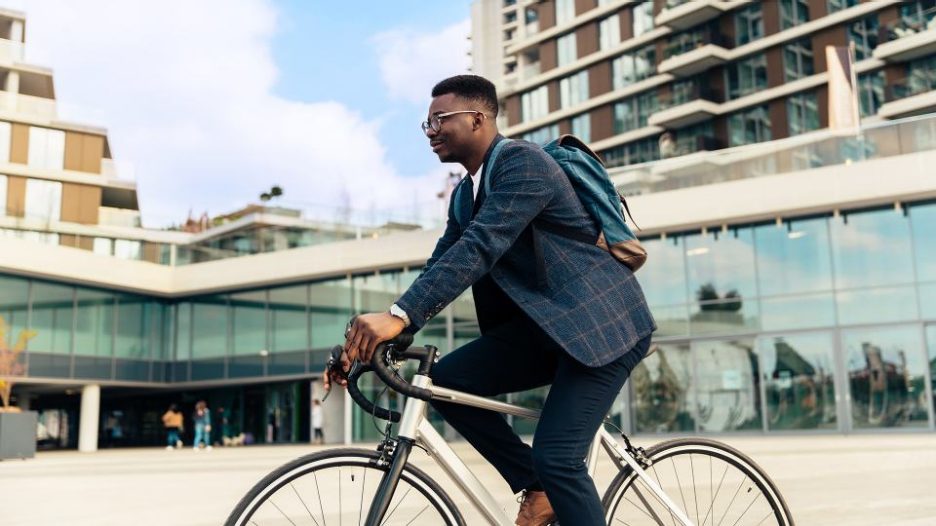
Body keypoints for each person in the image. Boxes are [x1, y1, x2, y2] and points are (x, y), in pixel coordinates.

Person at [326, 74, 655, 526]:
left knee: (559, 456)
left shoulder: (525, 164)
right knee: (446, 383)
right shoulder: (464, 195)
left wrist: (399, 315)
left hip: (602, 327)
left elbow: (481, 246)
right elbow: (443, 264)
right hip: (543, 331)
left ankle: (548, 480)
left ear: (479, 118)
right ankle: (536, 486)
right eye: (426, 124)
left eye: (440, 119)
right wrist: (381, 336)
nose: (431, 131)